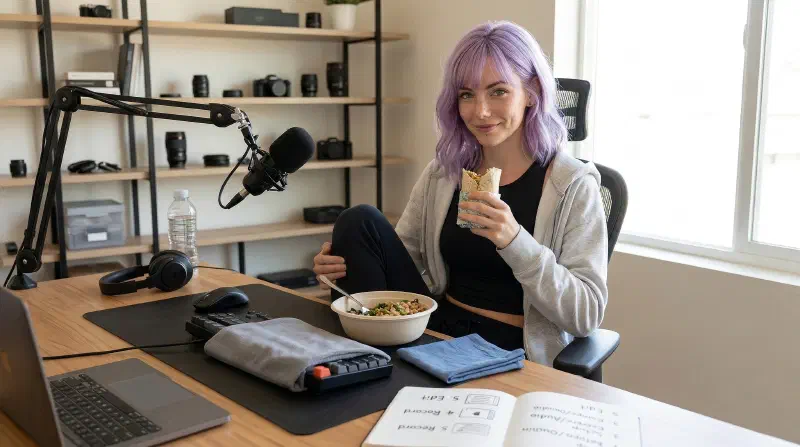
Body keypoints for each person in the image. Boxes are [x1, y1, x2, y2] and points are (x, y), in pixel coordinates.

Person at [313, 21, 608, 367]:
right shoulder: (445, 172)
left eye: (498, 91)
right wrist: (340, 266)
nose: (480, 111)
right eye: (467, 94)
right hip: (437, 332)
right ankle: (363, 367)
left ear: (530, 93)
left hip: (509, 349)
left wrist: (515, 241)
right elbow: (403, 257)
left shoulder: (572, 185)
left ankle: (371, 371)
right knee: (357, 221)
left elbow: (585, 315)